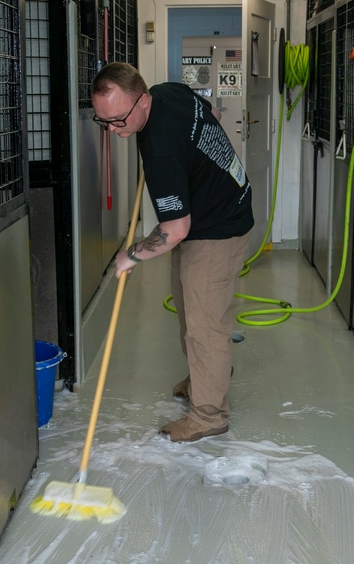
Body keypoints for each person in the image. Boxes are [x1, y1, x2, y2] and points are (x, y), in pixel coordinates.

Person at [91, 62, 253, 443]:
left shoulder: (160, 149)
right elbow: (211, 114)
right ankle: (206, 374)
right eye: (105, 122)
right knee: (187, 306)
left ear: (143, 100)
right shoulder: (169, 92)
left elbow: (174, 229)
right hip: (207, 213)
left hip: (217, 226)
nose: (114, 132)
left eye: (119, 120)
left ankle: (208, 414)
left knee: (204, 324)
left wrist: (131, 254)